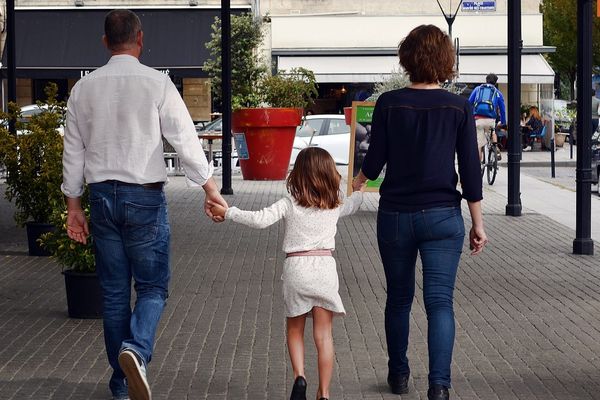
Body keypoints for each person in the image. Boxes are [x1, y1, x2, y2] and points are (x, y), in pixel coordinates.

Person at [61, 10, 228, 400]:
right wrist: (209, 188)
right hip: (145, 198)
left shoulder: (83, 90)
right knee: (152, 288)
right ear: (140, 39)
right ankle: (135, 349)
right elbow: (184, 139)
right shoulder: (158, 83)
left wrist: (73, 206)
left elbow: (73, 152)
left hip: (101, 198)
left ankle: (121, 386)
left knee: (114, 292)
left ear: (105, 42)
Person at [352, 25, 487, 400]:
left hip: (396, 215)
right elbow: (471, 171)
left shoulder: (389, 104)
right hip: (444, 217)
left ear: (407, 58)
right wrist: (478, 223)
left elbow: (374, 161)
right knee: (440, 302)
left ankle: (398, 376)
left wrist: (355, 184)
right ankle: (439, 386)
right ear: (446, 60)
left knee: (398, 297)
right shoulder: (459, 107)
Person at [209, 147, 363, 400]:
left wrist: (228, 212)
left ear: (298, 174)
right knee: (323, 335)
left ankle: (299, 377)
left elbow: (259, 220)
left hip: (296, 270)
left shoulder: (288, 204)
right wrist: (358, 189)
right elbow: (354, 204)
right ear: (329, 174)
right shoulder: (334, 205)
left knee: (295, 330)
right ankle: (324, 393)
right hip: (324, 269)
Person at [468, 73, 506, 161]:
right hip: (490, 120)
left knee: (478, 145)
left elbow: (469, 103)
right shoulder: (497, 92)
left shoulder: (477, 89)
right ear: (496, 82)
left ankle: (478, 167)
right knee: (492, 132)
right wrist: (503, 122)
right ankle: (495, 147)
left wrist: (469, 117)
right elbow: (502, 109)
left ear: (486, 80)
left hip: (478, 119)